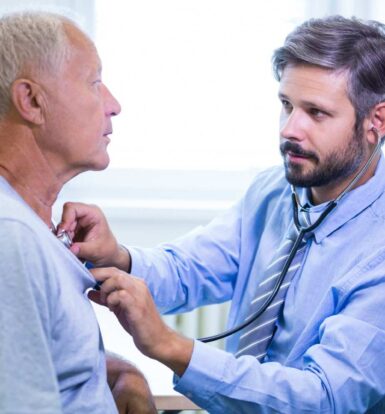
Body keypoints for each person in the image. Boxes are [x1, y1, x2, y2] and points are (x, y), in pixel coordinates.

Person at [60, 16, 385, 413]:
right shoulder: (274, 192)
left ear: (376, 121)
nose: (289, 130)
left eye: (316, 113)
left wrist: (170, 345)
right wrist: (119, 257)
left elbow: (324, 399)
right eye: (286, 105)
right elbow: (191, 269)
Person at [0, 11, 156, 414]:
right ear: (32, 101)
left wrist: (123, 376)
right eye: (94, 83)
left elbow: (46, 363)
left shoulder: (32, 231)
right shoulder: (10, 237)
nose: (114, 105)